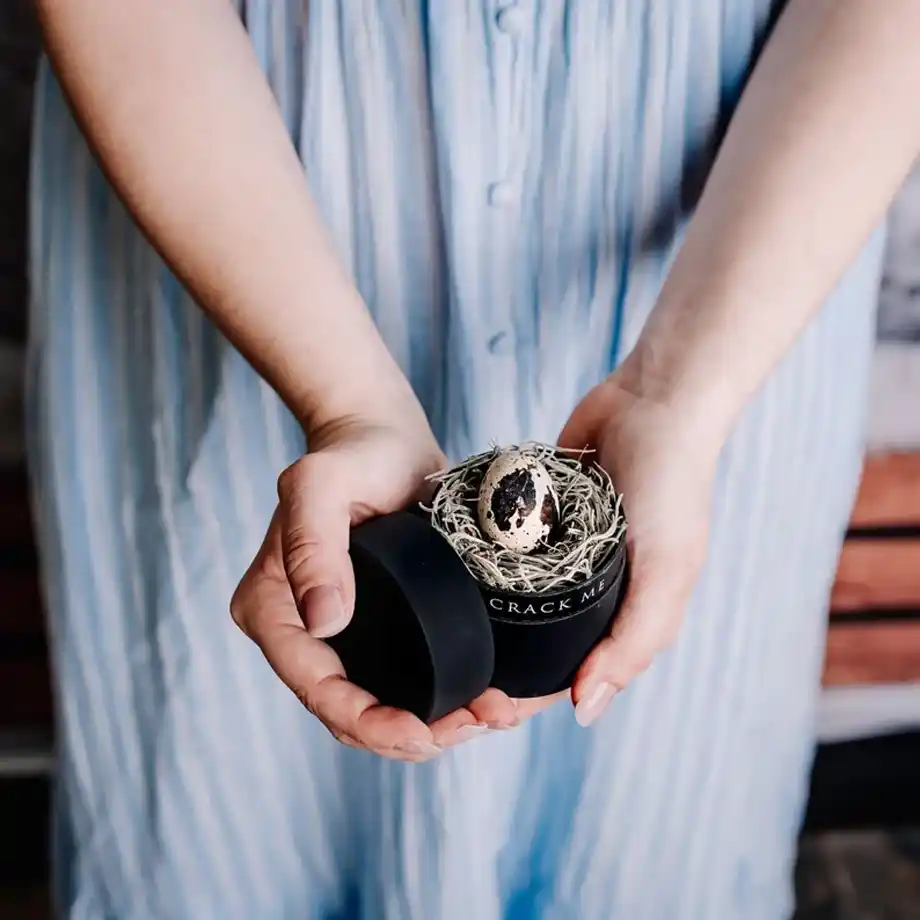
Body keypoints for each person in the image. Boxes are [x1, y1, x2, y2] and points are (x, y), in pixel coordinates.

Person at [27, 1, 920, 918]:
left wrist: (673, 397)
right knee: (232, 825)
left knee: (643, 837)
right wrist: (341, 401)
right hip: (234, 183)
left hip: (747, 234)